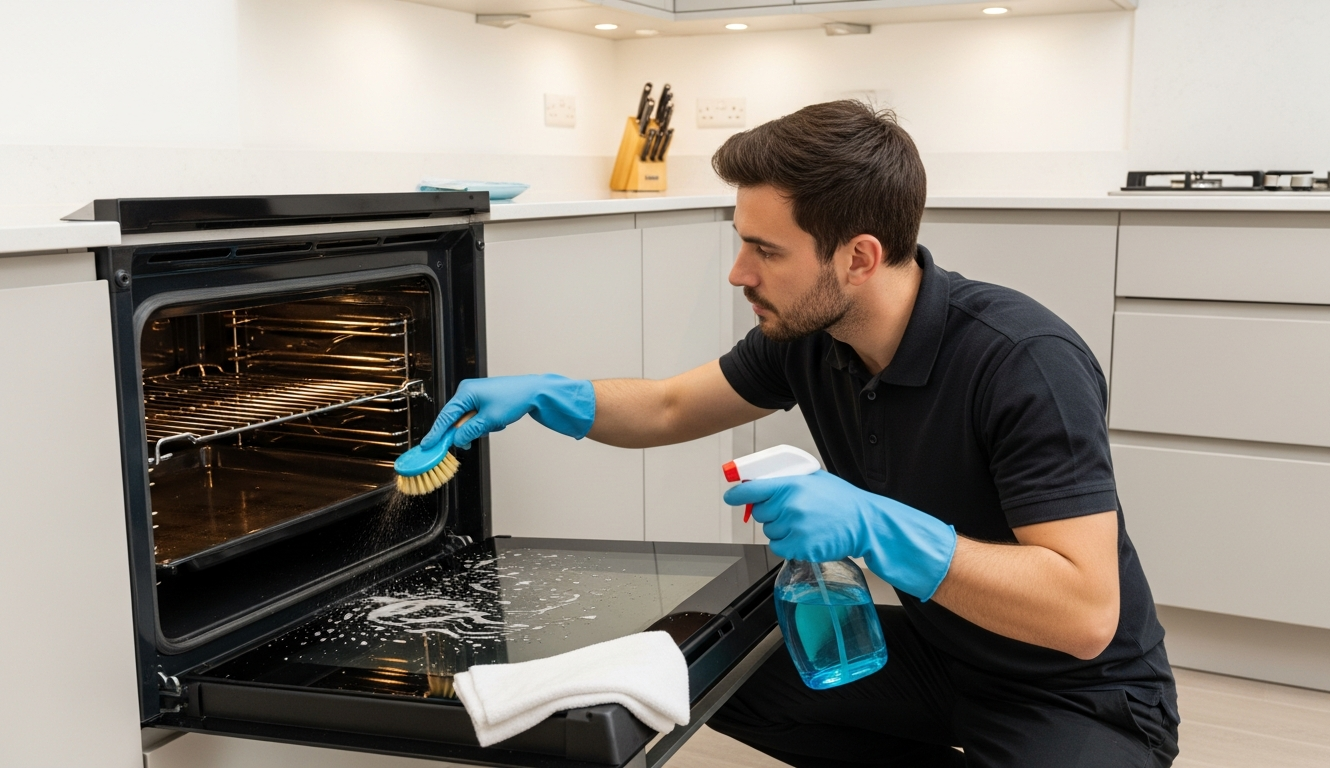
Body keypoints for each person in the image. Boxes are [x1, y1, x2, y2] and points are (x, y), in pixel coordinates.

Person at [421, 100, 1179, 767]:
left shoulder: (1023, 362)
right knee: (700, 670)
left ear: (859, 258)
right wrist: (546, 395)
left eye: (767, 250)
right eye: (742, 241)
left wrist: (875, 524)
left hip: (1077, 690)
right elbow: (671, 407)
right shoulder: (810, 338)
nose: (738, 273)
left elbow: (1084, 616)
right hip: (943, 652)